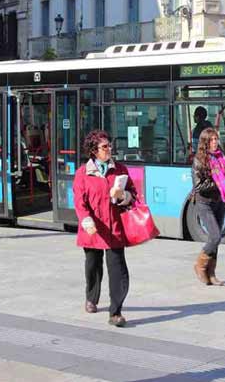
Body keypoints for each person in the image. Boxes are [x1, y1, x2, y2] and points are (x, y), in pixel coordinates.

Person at [73, 129, 138, 328]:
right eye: (104, 146)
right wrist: (86, 220)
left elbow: (133, 195)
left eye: (109, 145)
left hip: (114, 228)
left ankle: (116, 311)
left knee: (118, 270)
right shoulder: (83, 173)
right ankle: (92, 297)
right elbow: (79, 201)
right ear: (94, 150)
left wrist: (122, 196)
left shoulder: (120, 169)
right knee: (93, 266)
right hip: (93, 228)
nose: (109, 149)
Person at [191, 127, 225, 286]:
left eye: (216, 139)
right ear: (205, 142)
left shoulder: (220, 157)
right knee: (215, 236)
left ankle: (211, 273)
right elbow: (198, 186)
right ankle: (200, 264)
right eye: (211, 140)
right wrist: (219, 183)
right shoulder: (199, 160)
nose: (215, 142)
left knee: (217, 238)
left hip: (219, 201)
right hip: (204, 202)